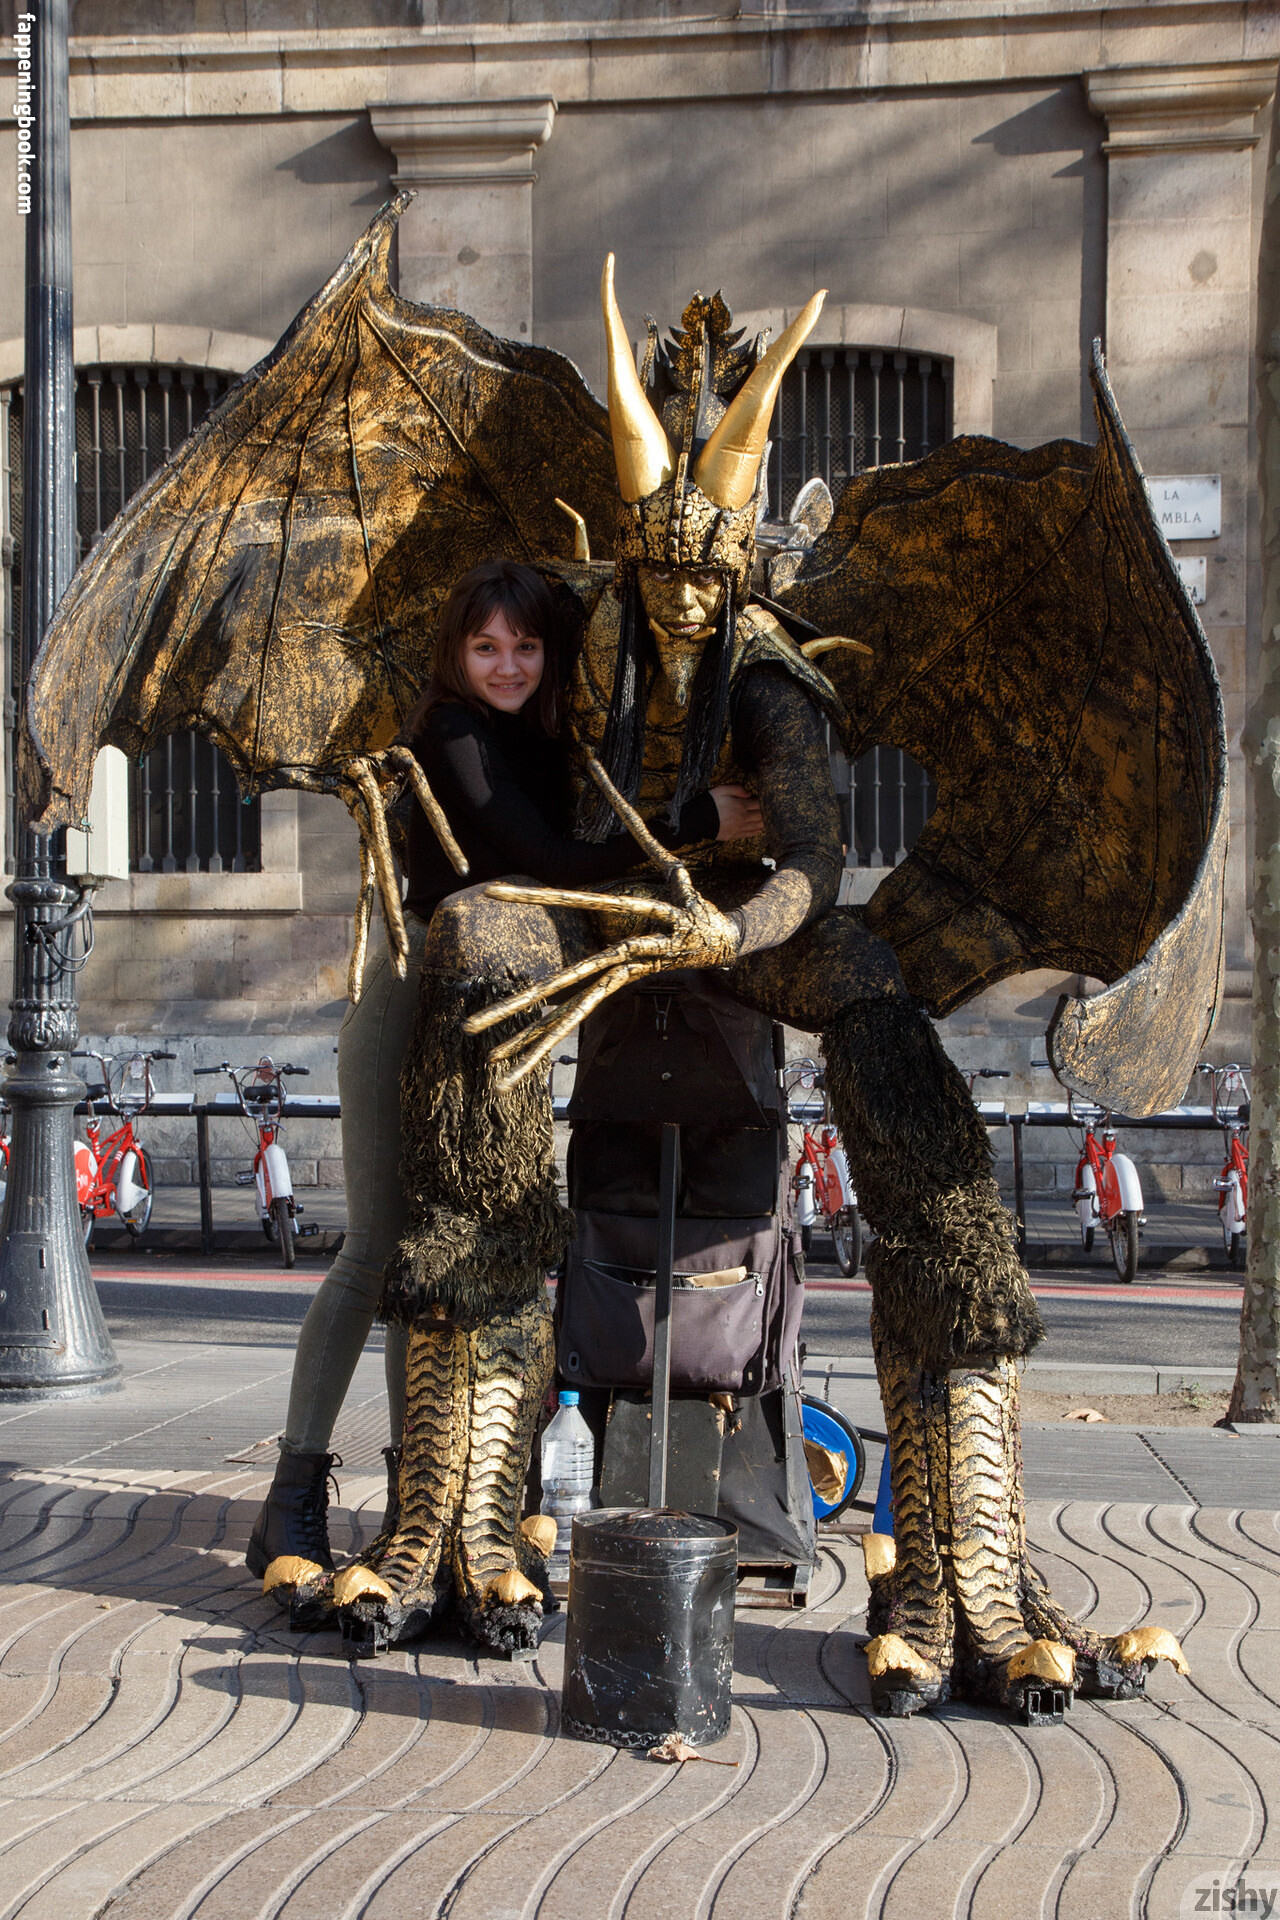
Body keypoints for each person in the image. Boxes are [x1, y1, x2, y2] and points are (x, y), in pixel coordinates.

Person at [245, 558, 762, 1586]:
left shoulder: (548, 740)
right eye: (486, 647)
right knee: (376, 1253)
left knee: (437, 1265)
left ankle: (424, 1500)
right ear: (457, 653)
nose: (507, 665)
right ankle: (291, 1497)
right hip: (406, 1007)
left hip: (481, 1020)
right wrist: (702, 819)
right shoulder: (451, 733)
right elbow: (549, 862)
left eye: (525, 646)